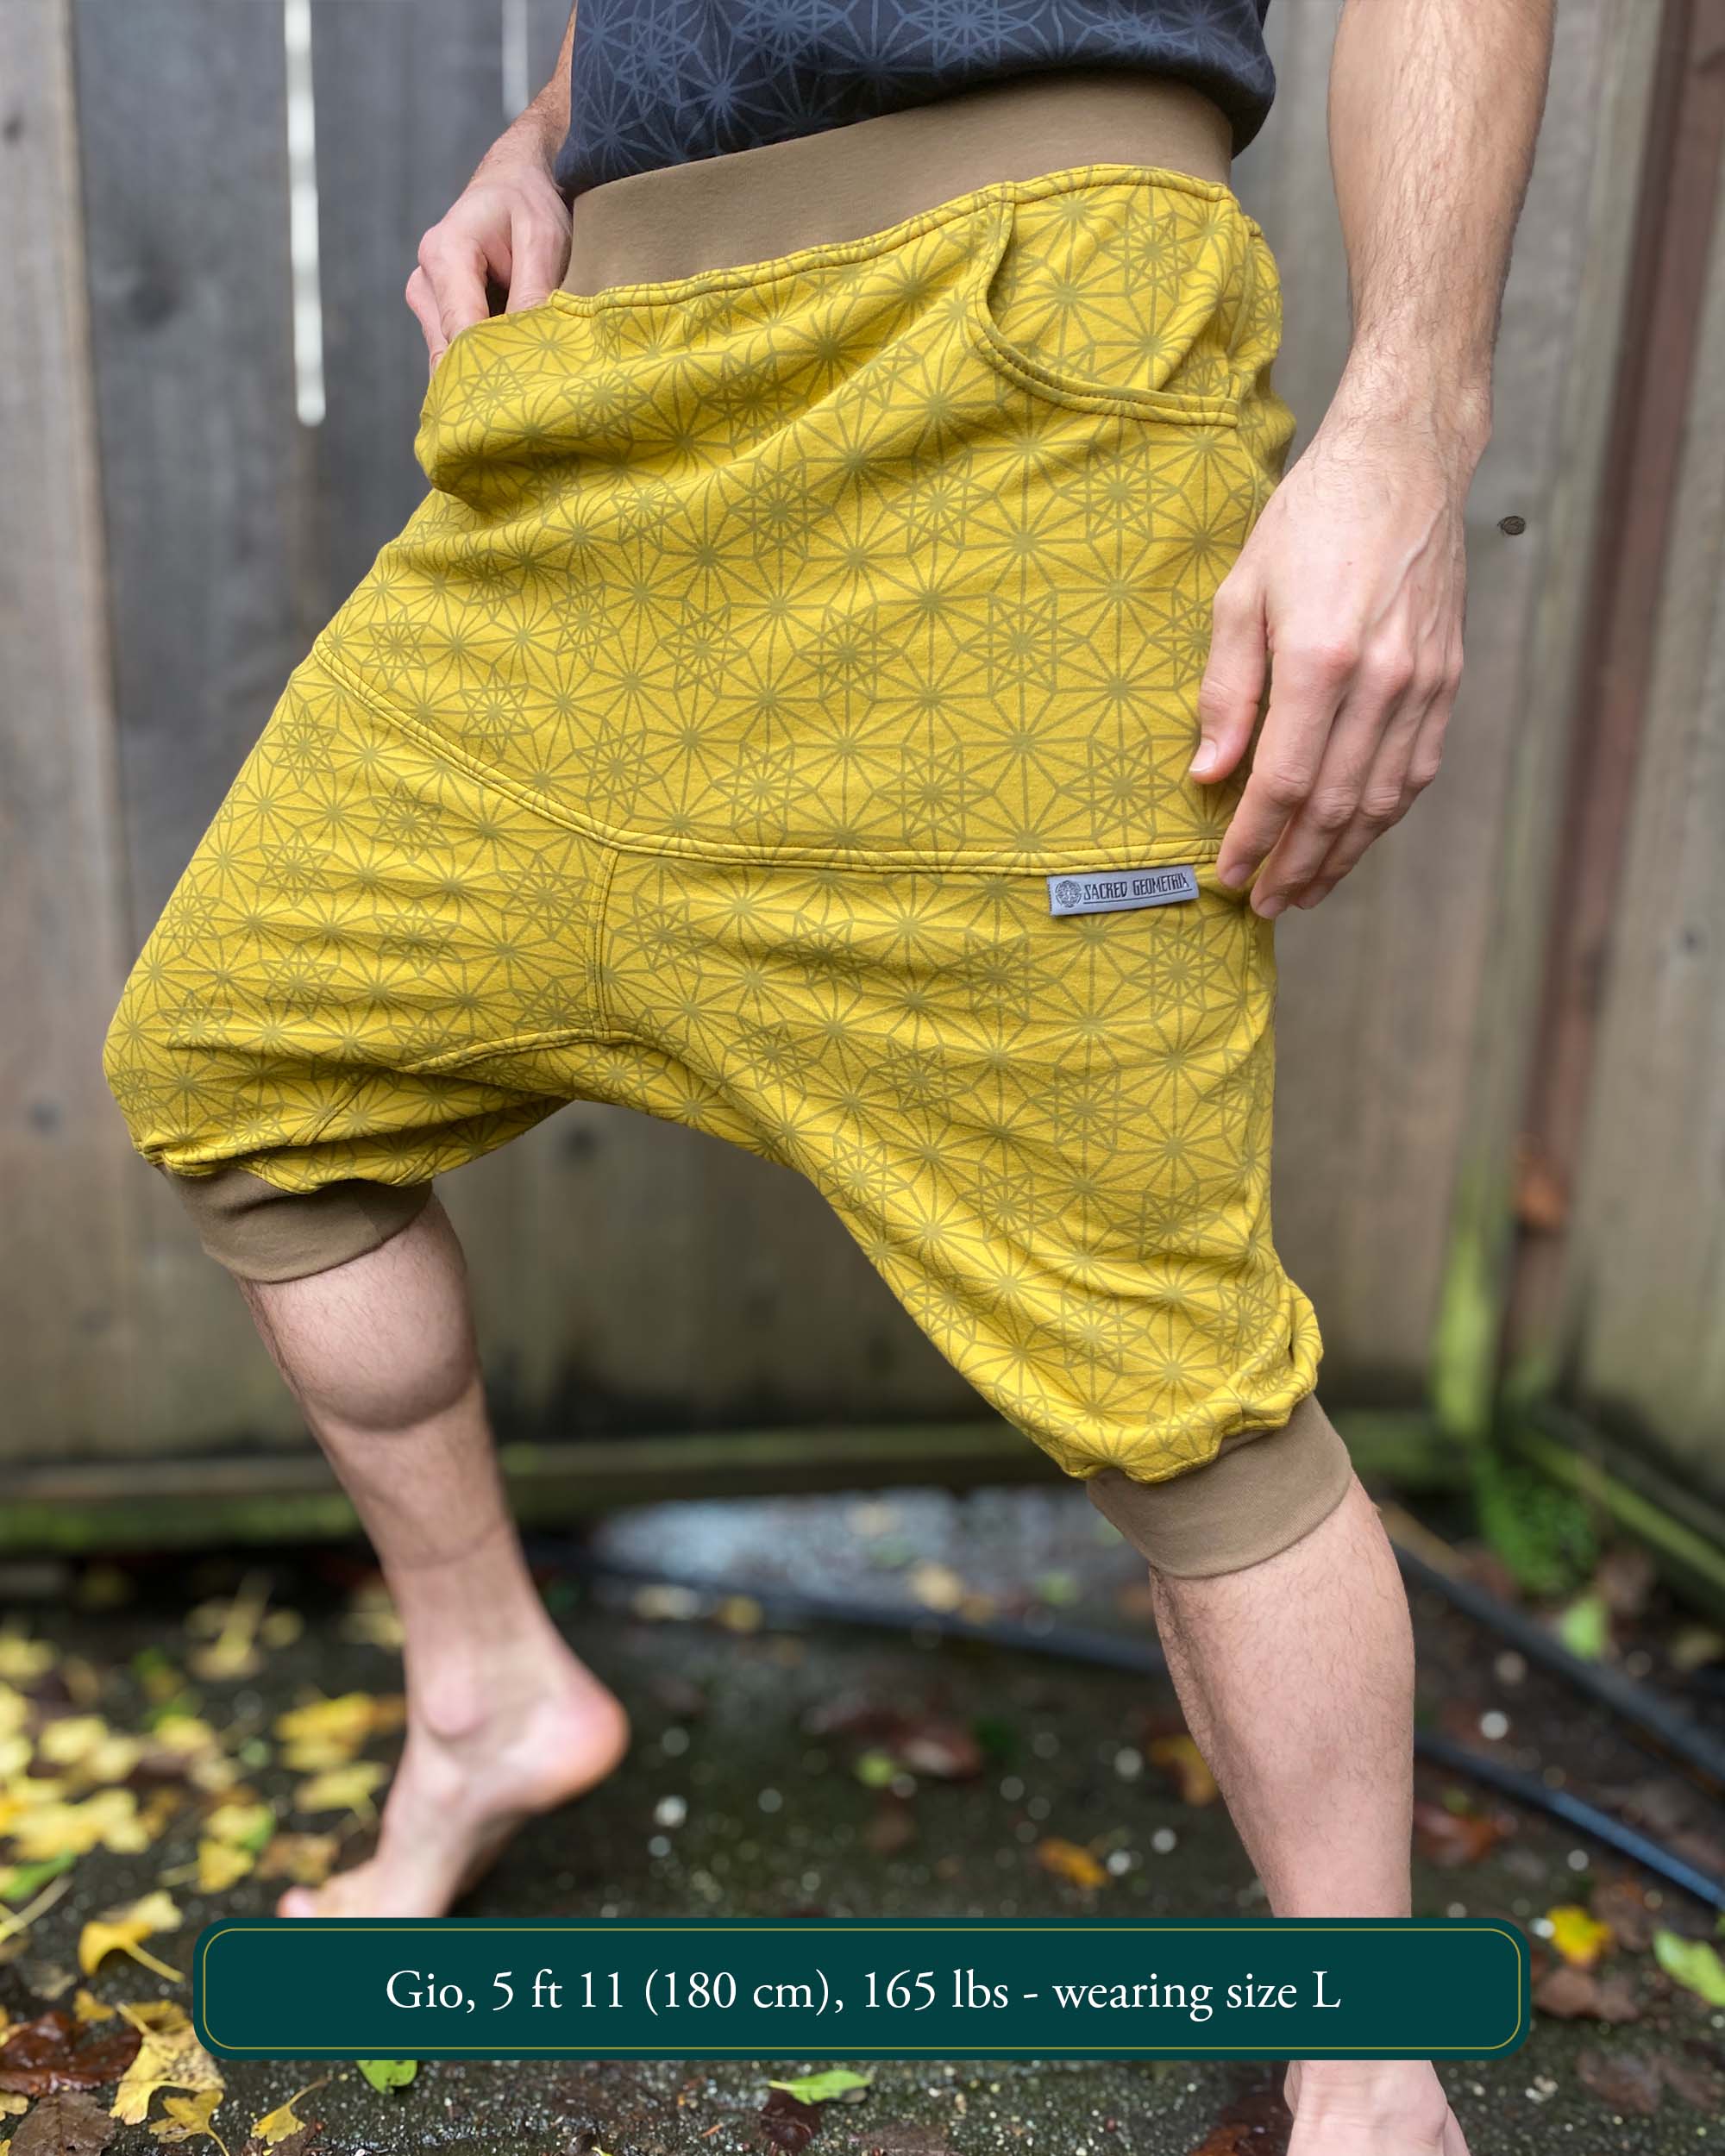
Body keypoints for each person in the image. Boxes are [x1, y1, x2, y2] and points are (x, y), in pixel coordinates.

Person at [103, 2, 1552, 2147]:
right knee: (236, 1057)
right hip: (601, 403)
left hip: (1014, 389)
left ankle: (1366, 2054)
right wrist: (542, 136)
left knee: (1168, 1374)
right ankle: (490, 1684)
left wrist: (1406, 426)